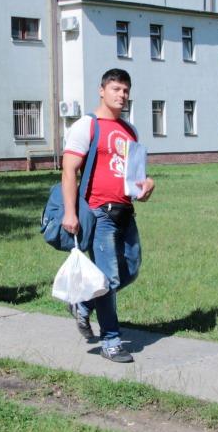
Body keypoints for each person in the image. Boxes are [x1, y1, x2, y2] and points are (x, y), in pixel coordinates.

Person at [61, 68, 155, 363]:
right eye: (116, 89)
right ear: (102, 90)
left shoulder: (130, 130)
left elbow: (136, 175)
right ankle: (111, 341)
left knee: (132, 268)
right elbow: (68, 170)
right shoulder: (87, 126)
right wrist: (70, 212)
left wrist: (147, 185)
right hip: (99, 212)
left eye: (126, 90)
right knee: (109, 277)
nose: (122, 95)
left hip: (126, 210)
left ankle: (84, 303)